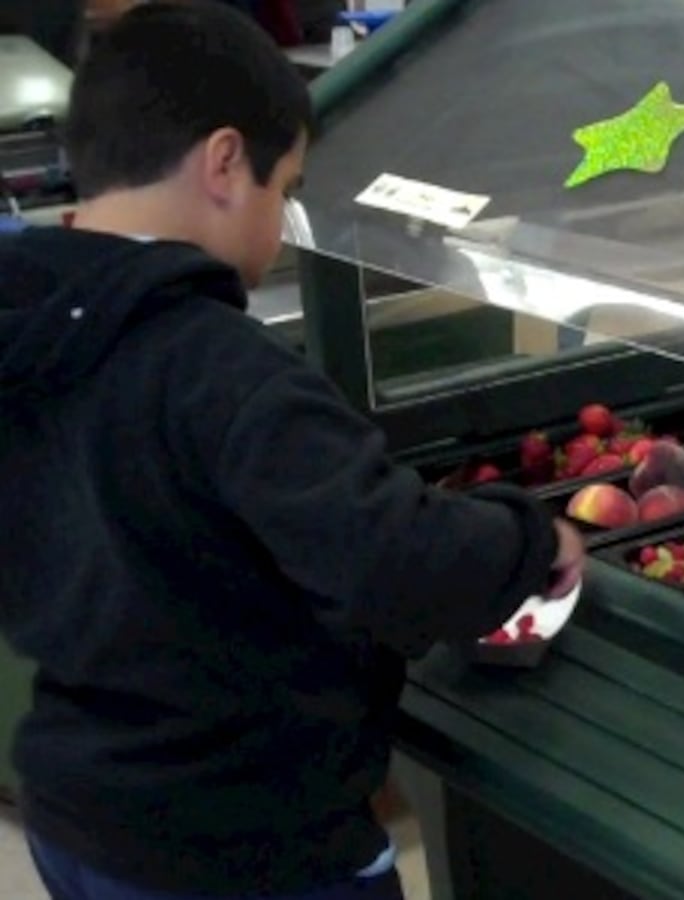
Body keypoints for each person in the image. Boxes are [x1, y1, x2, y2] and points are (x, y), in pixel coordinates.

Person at [0, 4, 584, 898]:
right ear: (227, 163)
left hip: (81, 813)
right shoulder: (215, 366)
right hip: (246, 845)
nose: (283, 223)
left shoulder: (29, 332)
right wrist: (529, 539)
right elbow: (395, 562)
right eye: (290, 189)